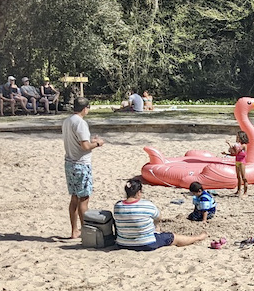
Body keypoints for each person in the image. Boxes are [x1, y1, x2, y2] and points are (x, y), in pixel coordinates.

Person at [114, 178, 207, 250]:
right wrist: (156, 226)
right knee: (173, 237)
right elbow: (158, 217)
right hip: (146, 243)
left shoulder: (117, 206)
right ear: (139, 192)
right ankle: (198, 237)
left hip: (122, 244)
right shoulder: (147, 205)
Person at [62, 98, 105, 239]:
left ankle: (74, 230)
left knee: (74, 198)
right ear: (85, 108)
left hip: (70, 162)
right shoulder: (80, 123)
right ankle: (85, 230)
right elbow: (85, 146)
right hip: (81, 164)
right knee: (84, 199)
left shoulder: (67, 121)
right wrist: (98, 144)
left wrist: (90, 141)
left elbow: (80, 141)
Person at [230, 130, 249, 196]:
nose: (237, 138)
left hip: (242, 162)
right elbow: (235, 153)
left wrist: (231, 146)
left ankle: (245, 192)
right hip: (237, 161)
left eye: (238, 137)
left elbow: (237, 151)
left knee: (243, 177)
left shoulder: (244, 145)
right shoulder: (239, 145)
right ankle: (238, 190)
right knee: (238, 176)